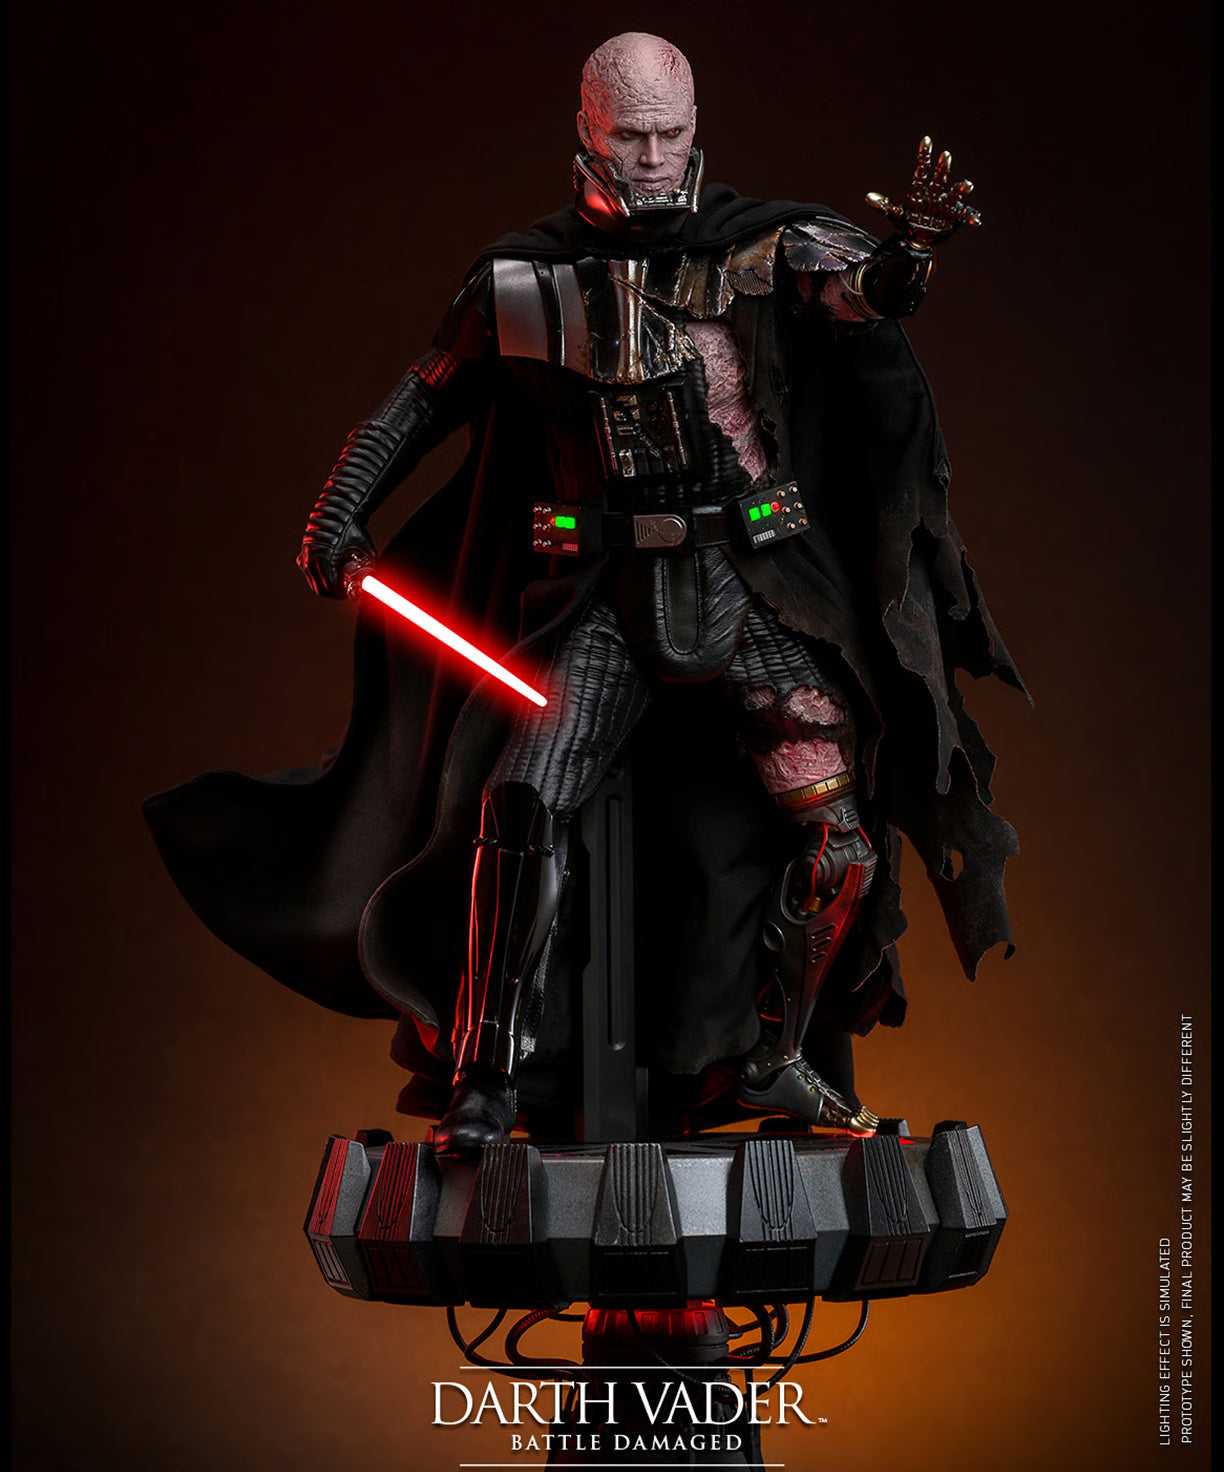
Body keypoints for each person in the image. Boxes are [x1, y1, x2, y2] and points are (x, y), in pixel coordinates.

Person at [146, 33, 1023, 1158]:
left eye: (669, 135)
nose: (653, 160)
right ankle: (488, 1072)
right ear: (587, 132)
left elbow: (862, 296)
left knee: (837, 838)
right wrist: (340, 504)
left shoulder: (769, 248)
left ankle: (773, 1048)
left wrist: (908, 255)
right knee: (522, 805)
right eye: (630, 138)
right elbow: (423, 401)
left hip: (753, 584)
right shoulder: (525, 279)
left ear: (695, 126)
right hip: (606, 592)